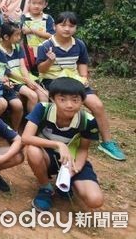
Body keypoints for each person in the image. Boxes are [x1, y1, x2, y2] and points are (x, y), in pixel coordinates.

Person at [37, 12, 126, 161]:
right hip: (52, 81)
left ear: (76, 28)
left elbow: (82, 64)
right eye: (63, 25)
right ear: (54, 26)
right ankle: (51, 136)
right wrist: (49, 61)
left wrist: (83, 78)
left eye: (71, 26)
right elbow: (41, 70)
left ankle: (107, 142)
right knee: (59, 104)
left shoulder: (79, 44)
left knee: (97, 104)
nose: (67, 29)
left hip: (74, 80)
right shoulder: (45, 46)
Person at [22, 77, 104, 212]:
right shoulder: (42, 109)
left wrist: (75, 169)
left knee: (95, 200)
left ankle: (66, 184)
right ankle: (45, 188)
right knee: (32, 150)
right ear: (53, 99)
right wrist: (59, 145)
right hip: (47, 156)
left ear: (82, 101)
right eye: (62, 99)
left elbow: (83, 149)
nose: (69, 104)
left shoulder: (88, 121)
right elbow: (26, 137)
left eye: (75, 99)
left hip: (72, 160)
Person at [0, 22, 47, 113]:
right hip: (12, 80)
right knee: (33, 96)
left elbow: (23, 66)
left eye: (19, 35)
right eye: (16, 35)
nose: (19, 38)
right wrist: (26, 80)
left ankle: (41, 123)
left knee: (44, 95)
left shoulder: (17, 47)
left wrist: (28, 80)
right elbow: (8, 73)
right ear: (6, 37)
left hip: (24, 77)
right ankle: (31, 123)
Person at [20, 0, 54, 72]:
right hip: (27, 51)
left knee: (42, 71)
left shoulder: (48, 18)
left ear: (45, 4)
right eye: (34, 3)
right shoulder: (24, 17)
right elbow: (20, 34)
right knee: (30, 71)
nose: (36, 6)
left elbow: (51, 36)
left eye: (40, 3)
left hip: (44, 50)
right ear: (29, 3)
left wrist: (32, 30)